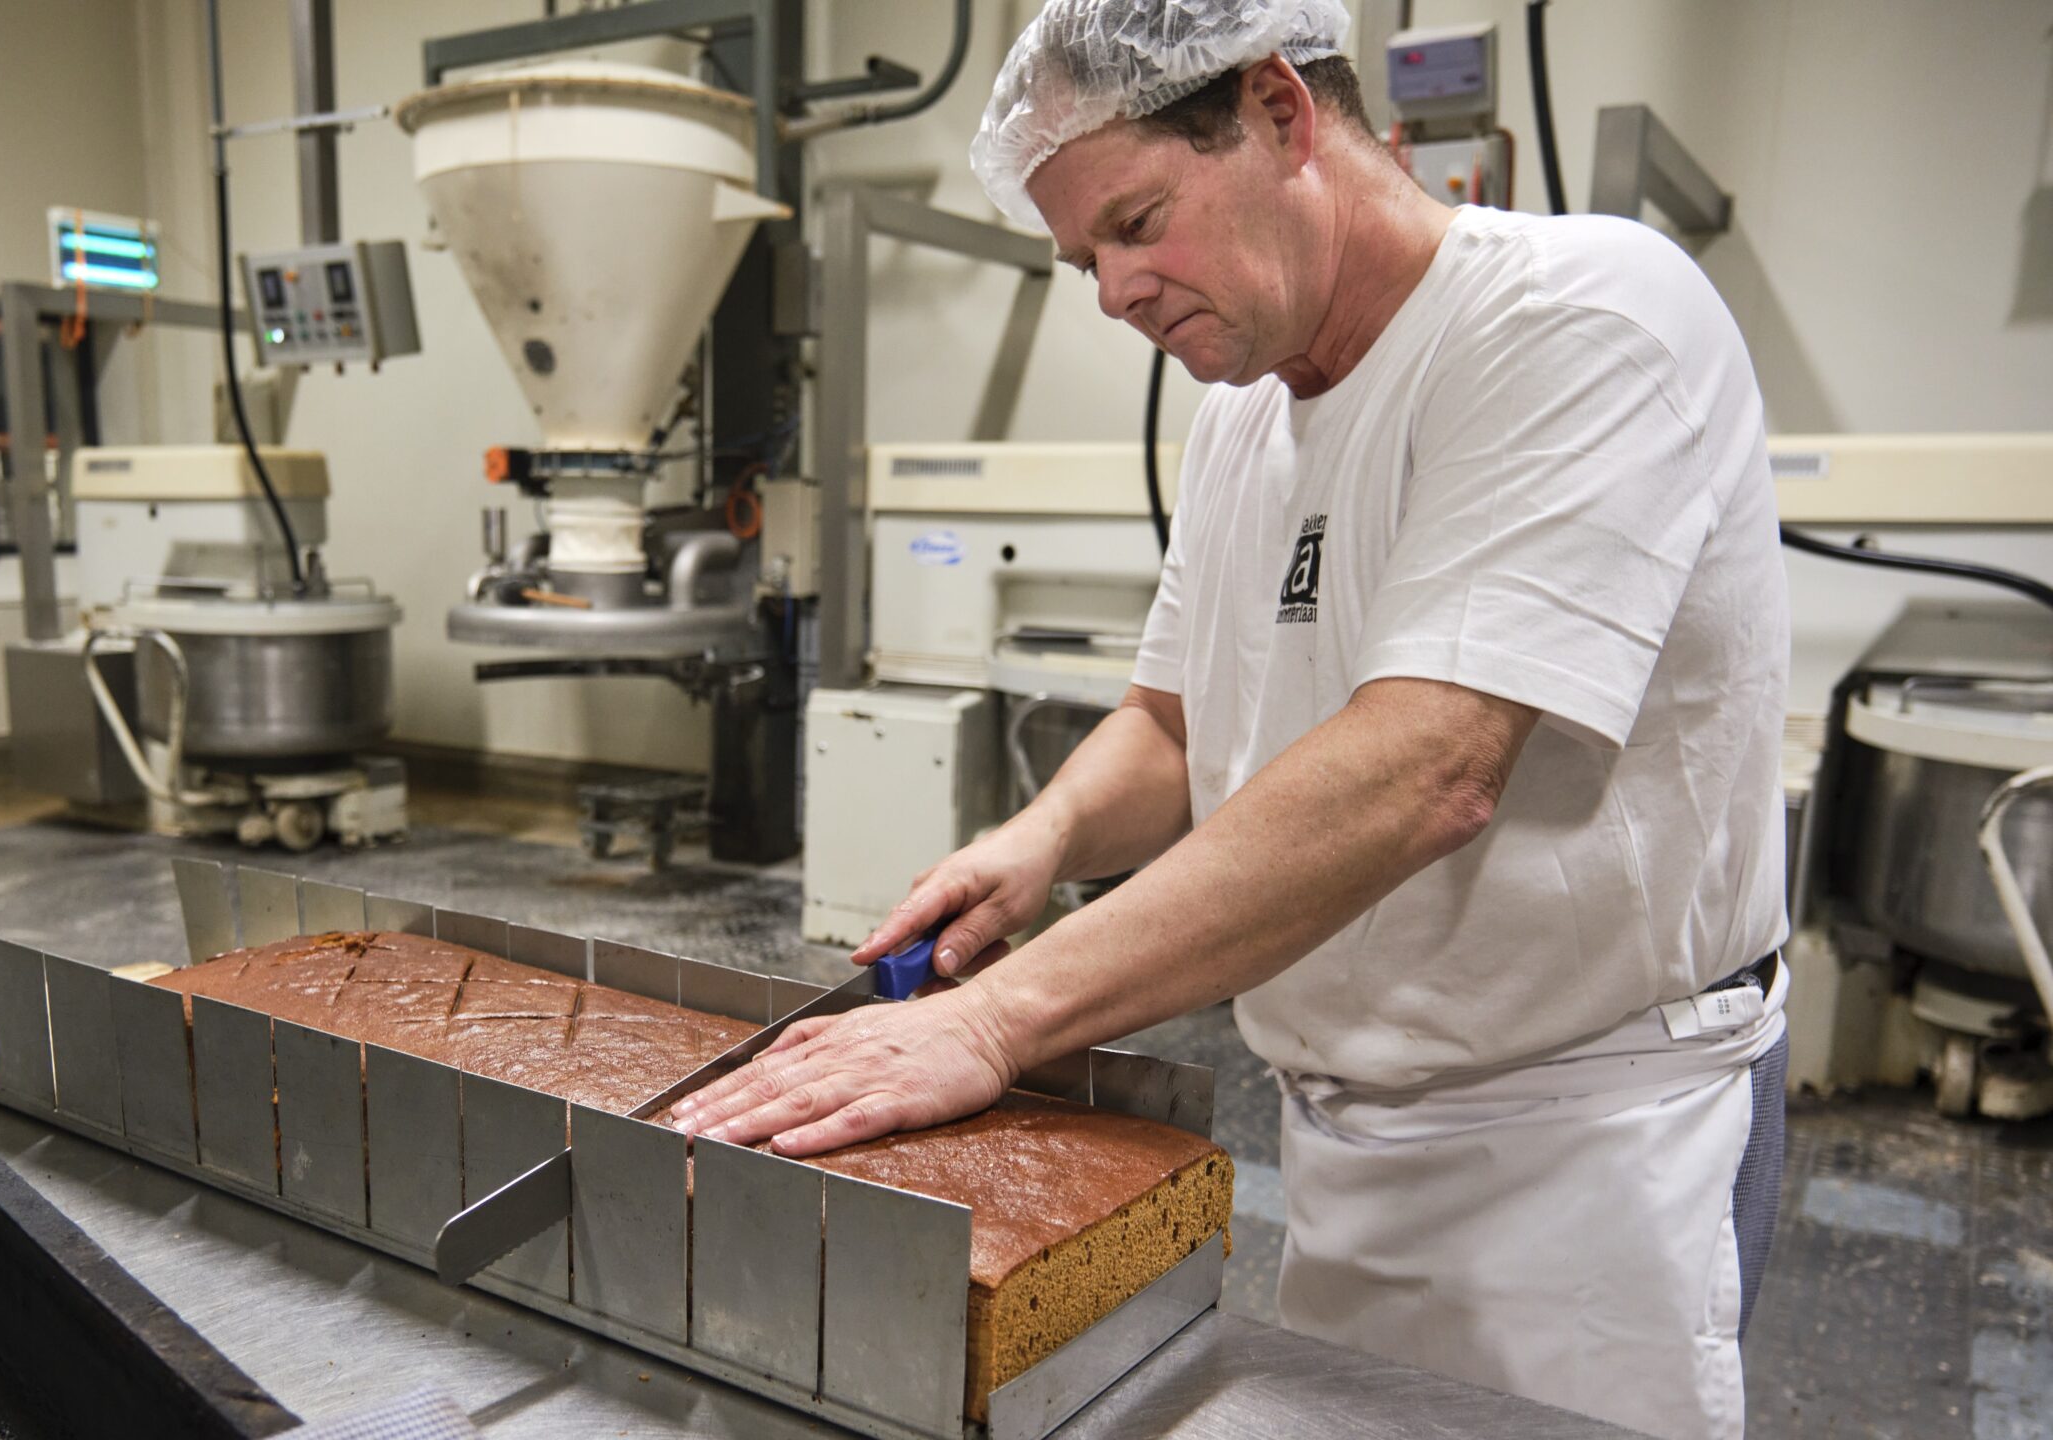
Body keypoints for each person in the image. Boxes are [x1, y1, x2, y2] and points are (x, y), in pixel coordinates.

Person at [665, 2, 1792, 1436]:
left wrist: (1002, 1019)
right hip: (1343, 1135)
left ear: (1279, 112)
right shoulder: (1246, 419)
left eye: (1138, 222)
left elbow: (1428, 771)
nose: (1116, 292)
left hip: (1586, 1154)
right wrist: (1042, 834)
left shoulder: (1580, 318)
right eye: (1086, 260)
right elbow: (1177, 725)